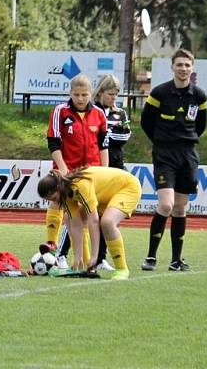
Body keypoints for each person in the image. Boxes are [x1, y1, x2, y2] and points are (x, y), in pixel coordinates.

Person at [140, 48, 207, 272]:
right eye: (179, 65)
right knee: (166, 204)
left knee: (180, 208)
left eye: (187, 65)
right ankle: (151, 257)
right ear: (172, 67)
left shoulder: (199, 95)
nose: (183, 69)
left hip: (188, 154)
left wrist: (186, 140)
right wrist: (161, 141)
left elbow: (201, 126)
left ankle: (176, 260)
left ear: (193, 68)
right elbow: (146, 122)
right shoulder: (159, 93)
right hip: (164, 154)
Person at [44, 74, 109, 269]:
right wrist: (62, 168)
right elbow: (53, 142)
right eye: (76, 94)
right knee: (58, 203)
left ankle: (85, 259)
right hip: (65, 169)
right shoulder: (60, 112)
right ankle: (51, 248)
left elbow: (103, 145)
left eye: (84, 94)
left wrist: (104, 172)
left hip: (91, 173)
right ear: (70, 93)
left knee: (85, 213)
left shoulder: (99, 113)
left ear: (91, 94)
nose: (80, 99)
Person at [37, 166, 141, 280]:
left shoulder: (80, 186)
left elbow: (94, 221)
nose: (54, 202)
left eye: (53, 198)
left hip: (127, 188)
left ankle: (122, 268)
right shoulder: (65, 192)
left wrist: (94, 256)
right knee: (67, 218)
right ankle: (84, 262)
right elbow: (76, 224)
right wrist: (77, 257)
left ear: (58, 188)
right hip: (104, 195)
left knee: (107, 222)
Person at [91, 74, 132, 270]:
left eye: (116, 94)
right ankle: (86, 256)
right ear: (100, 92)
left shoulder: (120, 113)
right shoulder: (92, 111)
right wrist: (107, 132)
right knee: (92, 214)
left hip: (116, 166)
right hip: (97, 166)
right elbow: (97, 137)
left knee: (109, 215)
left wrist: (106, 131)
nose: (114, 98)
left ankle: (101, 257)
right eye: (111, 94)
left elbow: (125, 135)